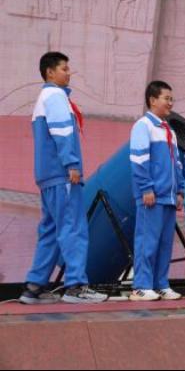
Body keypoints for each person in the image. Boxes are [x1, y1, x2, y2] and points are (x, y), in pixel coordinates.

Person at [20, 52, 108, 305]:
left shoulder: (43, 98)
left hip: (48, 176)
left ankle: (34, 287)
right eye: (64, 69)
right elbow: (62, 132)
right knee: (73, 228)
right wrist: (72, 164)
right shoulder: (56, 96)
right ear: (50, 72)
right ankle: (76, 286)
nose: (69, 73)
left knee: (51, 230)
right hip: (62, 175)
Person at [129, 80, 185, 301]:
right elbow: (139, 160)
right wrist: (146, 188)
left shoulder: (168, 130)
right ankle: (141, 286)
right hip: (151, 196)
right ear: (153, 100)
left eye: (172, 99)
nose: (170, 103)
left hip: (169, 197)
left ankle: (160, 284)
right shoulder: (143, 126)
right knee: (147, 242)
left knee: (164, 244)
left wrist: (180, 191)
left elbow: (177, 164)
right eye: (166, 98)